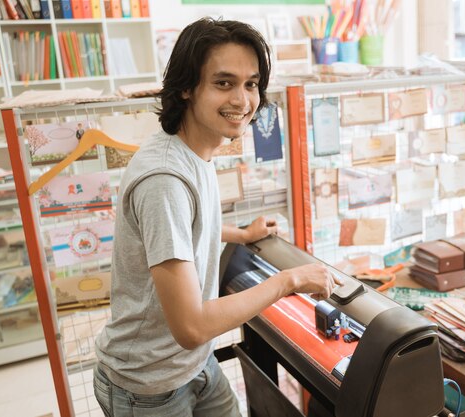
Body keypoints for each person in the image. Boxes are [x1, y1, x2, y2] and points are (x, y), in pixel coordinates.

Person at [94, 18, 339, 417]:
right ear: (187, 87)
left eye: (251, 84)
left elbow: (182, 230)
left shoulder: (194, 149)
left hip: (193, 366)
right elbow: (191, 327)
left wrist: (241, 234)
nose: (242, 100)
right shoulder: (165, 180)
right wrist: (290, 280)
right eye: (224, 83)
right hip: (148, 386)